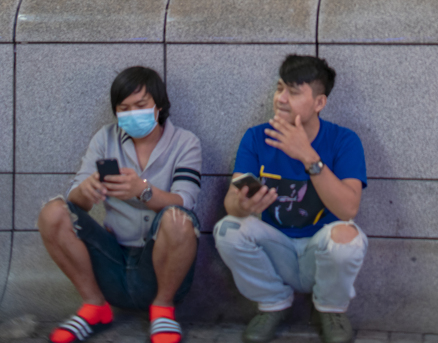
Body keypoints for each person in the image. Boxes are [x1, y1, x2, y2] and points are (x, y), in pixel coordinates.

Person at [38, 66, 202, 343]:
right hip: (111, 261)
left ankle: (162, 309)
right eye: (124, 108)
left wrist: (143, 191)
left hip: (160, 268)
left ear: (158, 106)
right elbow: (74, 202)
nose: (132, 114)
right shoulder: (105, 138)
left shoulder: (185, 142)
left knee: (178, 219)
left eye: (140, 105)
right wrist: (86, 191)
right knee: (52, 212)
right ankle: (94, 306)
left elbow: (186, 200)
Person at [214, 55, 367, 343]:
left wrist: (308, 157)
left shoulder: (344, 141)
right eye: (279, 88)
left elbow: (349, 208)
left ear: (319, 103)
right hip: (277, 248)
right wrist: (242, 206)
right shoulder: (257, 138)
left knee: (349, 237)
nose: (281, 98)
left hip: (321, 249)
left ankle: (331, 308)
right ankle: (272, 303)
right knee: (227, 229)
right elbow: (231, 202)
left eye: (294, 92)